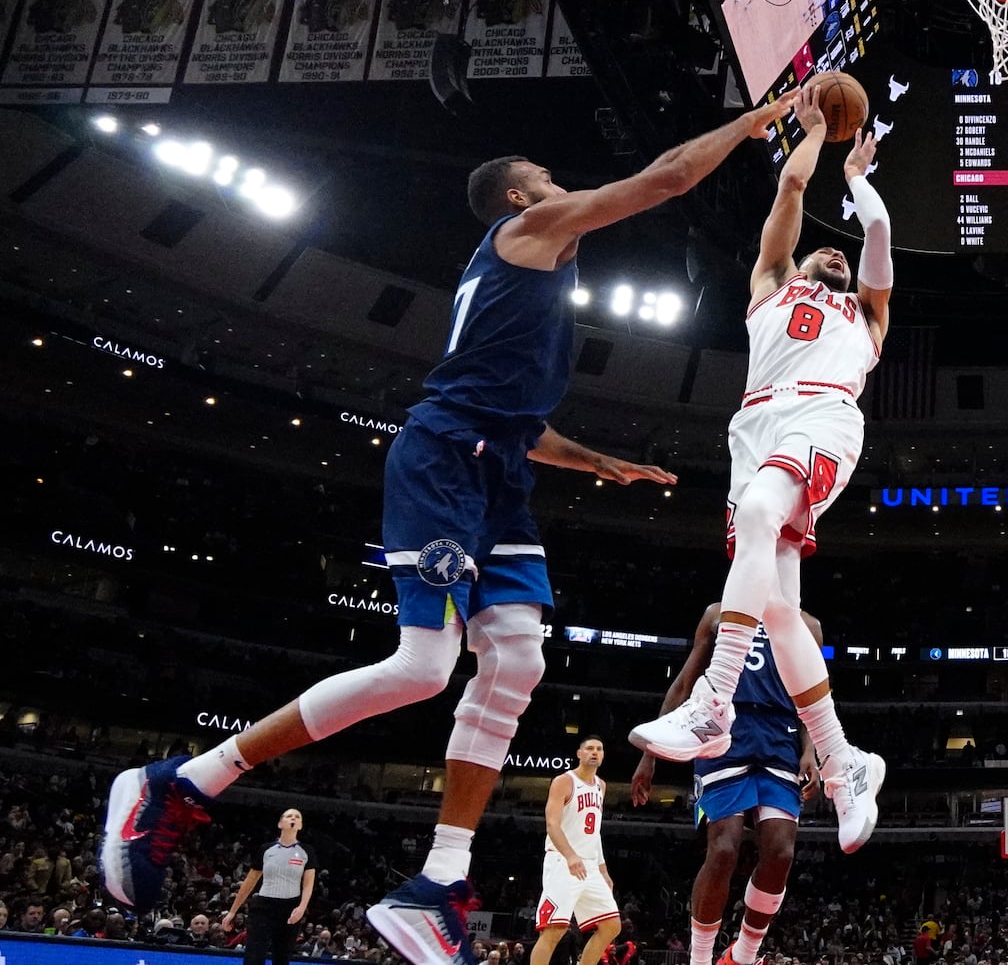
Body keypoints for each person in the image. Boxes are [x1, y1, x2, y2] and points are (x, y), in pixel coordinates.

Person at [99, 88, 800, 963]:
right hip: (442, 461)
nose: (558, 184)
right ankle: (186, 779)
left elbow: (524, 425)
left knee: (518, 658)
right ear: (519, 196)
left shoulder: (535, 278)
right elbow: (664, 180)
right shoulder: (523, 237)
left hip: (497, 471)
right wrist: (754, 119)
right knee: (426, 665)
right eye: (544, 177)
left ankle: (439, 877)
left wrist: (599, 462)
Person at [629, 84, 892, 852]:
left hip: (822, 417)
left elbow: (875, 235)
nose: (834, 250)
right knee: (778, 611)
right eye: (824, 247)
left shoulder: (868, 316)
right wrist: (810, 135)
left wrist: (858, 182)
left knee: (757, 519)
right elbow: (787, 187)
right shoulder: (771, 285)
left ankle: (715, 700)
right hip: (757, 423)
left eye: (840, 252)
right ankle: (845, 761)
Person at [631, 602, 822, 965]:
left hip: (779, 736)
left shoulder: (808, 625)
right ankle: (700, 958)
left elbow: (812, 698)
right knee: (723, 849)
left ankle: (743, 954)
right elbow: (685, 683)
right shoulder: (718, 612)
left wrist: (810, 750)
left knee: (781, 852)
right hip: (722, 729)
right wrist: (649, 754)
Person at [529, 737, 619, 965]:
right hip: (562, 861)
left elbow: (594, 832)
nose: (594, 752)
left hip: (589, 865)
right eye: (589, 748)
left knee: (611, 926)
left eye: (599, 749)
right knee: (554, 930)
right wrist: (570, 855)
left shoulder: (601, 785)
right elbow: (552, 825)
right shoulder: (563, 781)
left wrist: (603, 870)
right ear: (579, 753)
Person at [221, 808, 318, 964]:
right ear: (280, 824)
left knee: (282, 956)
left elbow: (308, 884)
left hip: (290, 908)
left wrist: (301, 907)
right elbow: (249, 882)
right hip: (263, 907)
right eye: (288, 816)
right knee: (254, 954)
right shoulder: (266, 849)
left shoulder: (307, 851)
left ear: (300, 825)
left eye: (297, 816)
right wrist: (232, 911)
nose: (293, 818)